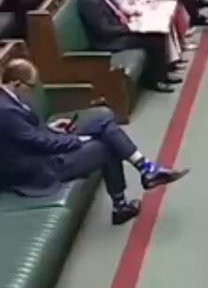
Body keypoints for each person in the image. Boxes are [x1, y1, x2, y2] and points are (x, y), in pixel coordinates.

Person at [0, 57, 187, 226]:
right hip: (41, 168)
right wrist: (76, 140)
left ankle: (145, 168)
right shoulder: (5, 110)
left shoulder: (10, 99)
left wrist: (51, 128)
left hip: (44, 148)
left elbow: (28, 133)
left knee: (102, 119)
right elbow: (38, 143)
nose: (33, 91)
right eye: (31, 86)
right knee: (105, 147)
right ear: (17, 84)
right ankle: (122, 204)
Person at [77, 0, 181, 93]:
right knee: (154, 39)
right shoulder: (89, 1)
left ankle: (162, 75)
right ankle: (155, 80)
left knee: (158, 33)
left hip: (117, 31)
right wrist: (129, 28)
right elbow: (103, 29)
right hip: (107, 42)